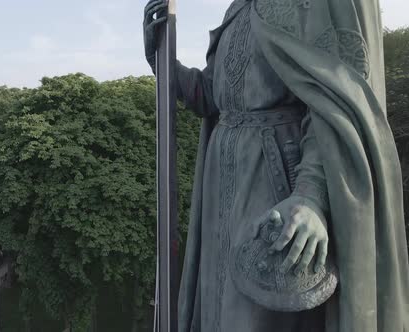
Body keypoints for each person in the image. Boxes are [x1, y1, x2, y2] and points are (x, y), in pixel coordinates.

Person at [143, 0, 409, 331]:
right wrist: (162, 60)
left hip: (277, 185)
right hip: (220, 194)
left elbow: (335, 106)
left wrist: (312, 194)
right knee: (215, 313)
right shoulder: (239, 8)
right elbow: (213, 96)